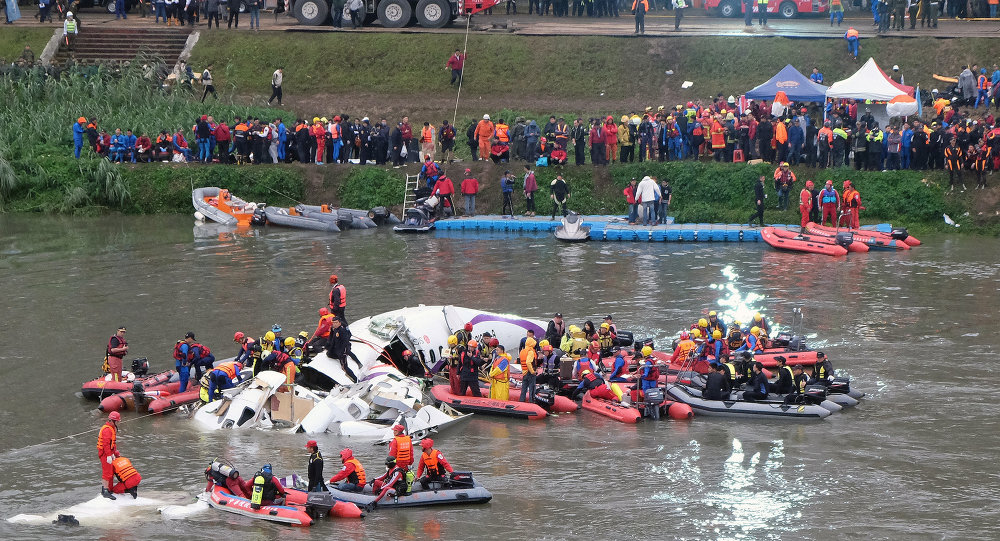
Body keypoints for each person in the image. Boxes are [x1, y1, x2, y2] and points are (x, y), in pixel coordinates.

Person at [326, 317, 358, 383]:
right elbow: (333, 340)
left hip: (342, 351)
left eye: (336, 323)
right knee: (329, 354)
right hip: (337, 350)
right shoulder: (335, 330)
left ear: (339, 323)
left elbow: (345, 342)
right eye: (333, 323)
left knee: (344, 367)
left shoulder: (342, 331)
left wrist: (343, 352)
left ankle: (355, 379)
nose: (334, 324)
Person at [98, 412, 122, 500]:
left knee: (110, 472)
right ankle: (105, 491)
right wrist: (108, 455)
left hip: (108, 453)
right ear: (113, 421)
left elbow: (111, 444)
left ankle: (108, 489)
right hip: (105, 454)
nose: (118, 423)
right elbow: (106, 444)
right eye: (117, 421)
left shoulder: (111, 428)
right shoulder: (107, 430)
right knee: (107, 473)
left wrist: (113, 453)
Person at [518, 337, 538, 402]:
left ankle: (521, 401)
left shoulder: (522, 351)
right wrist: (532, 371)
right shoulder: (531, 352)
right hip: (530, 372)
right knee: (532, 388)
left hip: (524, 372)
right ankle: (531, 402)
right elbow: (528, 362)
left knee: (524, 389)